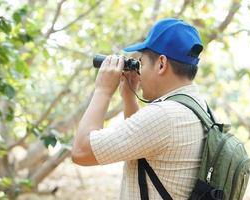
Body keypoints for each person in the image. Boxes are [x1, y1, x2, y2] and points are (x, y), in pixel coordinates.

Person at [71, 18, 207, 200]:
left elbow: (81, 152)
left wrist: (102, 91)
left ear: (161, 64)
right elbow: (141, 151)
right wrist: (129, 97)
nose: (139, 71)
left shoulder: (165, 115)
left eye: (141, 63)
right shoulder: (197, 107)